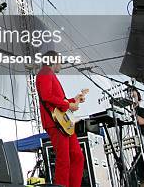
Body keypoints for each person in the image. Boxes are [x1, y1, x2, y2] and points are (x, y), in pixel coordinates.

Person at [36, 50, 86, 187]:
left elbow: (56, 99)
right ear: (53, 61)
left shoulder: (48, 74)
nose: (61, 64)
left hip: (61, 122)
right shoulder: (45, 72)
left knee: (77, 156)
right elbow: (46, 96)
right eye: (59, 61)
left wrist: (73, 100)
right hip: (55, 123)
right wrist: (68, 104)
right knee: (64, 159)